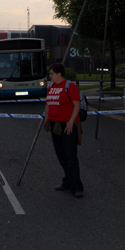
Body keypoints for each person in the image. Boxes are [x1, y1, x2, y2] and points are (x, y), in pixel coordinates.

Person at [44, 63, 84, 198]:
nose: (50, 76)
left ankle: (77, 186)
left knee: (70, 156)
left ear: (59, 73)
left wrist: (71, 122)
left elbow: (77, 105)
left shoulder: (70, 86)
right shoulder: (51, 87)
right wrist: (46, 119)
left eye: (51, 73)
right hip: (55, 126)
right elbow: (48, 104)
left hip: (68, 126)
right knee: (61, 155)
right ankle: (68, 181)